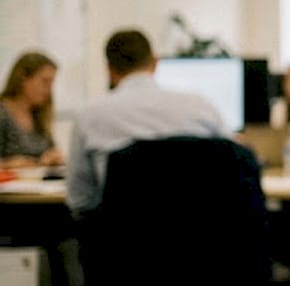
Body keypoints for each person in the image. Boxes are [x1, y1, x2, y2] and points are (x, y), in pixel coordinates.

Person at [66, 29, 228, 215]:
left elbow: (80, 200)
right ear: (155, 62)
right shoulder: (202, 107)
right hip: (202, 235)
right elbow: (235, 169)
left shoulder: (88, 115)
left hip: (123, 239)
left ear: (109, 69)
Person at [1, 50, 65, 168]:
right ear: (23, 79)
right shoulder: (3, 114)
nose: (49, 90)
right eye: (45, 81)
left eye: (51, 83)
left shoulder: (39, 114)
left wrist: (53, 157)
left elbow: (50, 151)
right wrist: (9, 164)